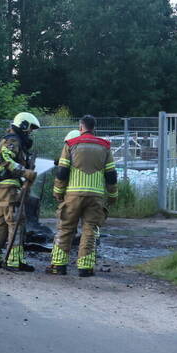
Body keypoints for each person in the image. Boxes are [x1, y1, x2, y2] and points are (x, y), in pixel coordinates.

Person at [48, 115, 117, 276]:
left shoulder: (70, 144)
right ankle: (85, 268)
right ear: (94, 128)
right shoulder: (105, 146)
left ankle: (58, 266)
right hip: (96, 196)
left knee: (65, 228)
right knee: (90, 230)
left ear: (81, 127)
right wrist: (113, 195)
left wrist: (58, 192)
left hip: (73, 196)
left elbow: (62, 171)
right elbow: (111, 174)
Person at [0, 112, 39, 272]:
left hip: (2, 186)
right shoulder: (13, 140)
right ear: (22, 125)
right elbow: (5, 158)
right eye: (29, 128)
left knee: (0, 221)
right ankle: (14, 260)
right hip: (9, 186)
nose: (30, 132)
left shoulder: (10, 139)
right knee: (16, 221)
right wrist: (25, 172)